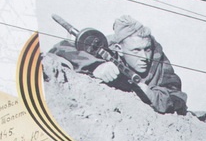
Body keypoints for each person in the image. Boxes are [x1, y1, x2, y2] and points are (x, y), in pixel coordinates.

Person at [49, 15, 187, 115]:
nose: (144, 57)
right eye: (136, 51)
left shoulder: (158, 56)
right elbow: (61, 48)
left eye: (147, 49)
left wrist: (152, 95)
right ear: (119, 49)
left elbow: (178, 98)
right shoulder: (105, 47)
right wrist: (95, 65)